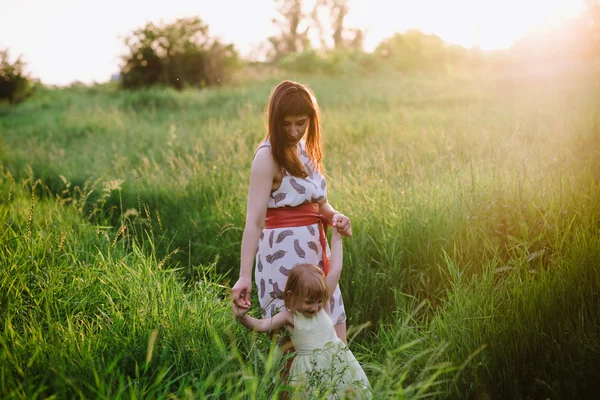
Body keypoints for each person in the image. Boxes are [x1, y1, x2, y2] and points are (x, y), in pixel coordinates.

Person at [231, 80, 352, 342]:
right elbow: (254, 222)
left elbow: (319, 204)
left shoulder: (305, 151)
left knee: (333, 335)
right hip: (282, 260)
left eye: (301, 123)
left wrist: (335, 217)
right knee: (295, 342)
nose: (294, 130)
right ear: (274, 120)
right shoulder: (267, 157)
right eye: (286, 124)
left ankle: (338, 384)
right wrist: (244, 275)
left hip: (315, 255)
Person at [233, 228, 371, 398]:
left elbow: (336, 269)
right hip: (308, 373)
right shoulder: (289, 317)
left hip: (337, 364)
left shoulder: (324, 305)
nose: (315, 307)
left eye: (319, 301)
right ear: (291, 295)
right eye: (309, 302)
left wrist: (336, 236)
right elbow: (261, 326)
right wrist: (242, 316)